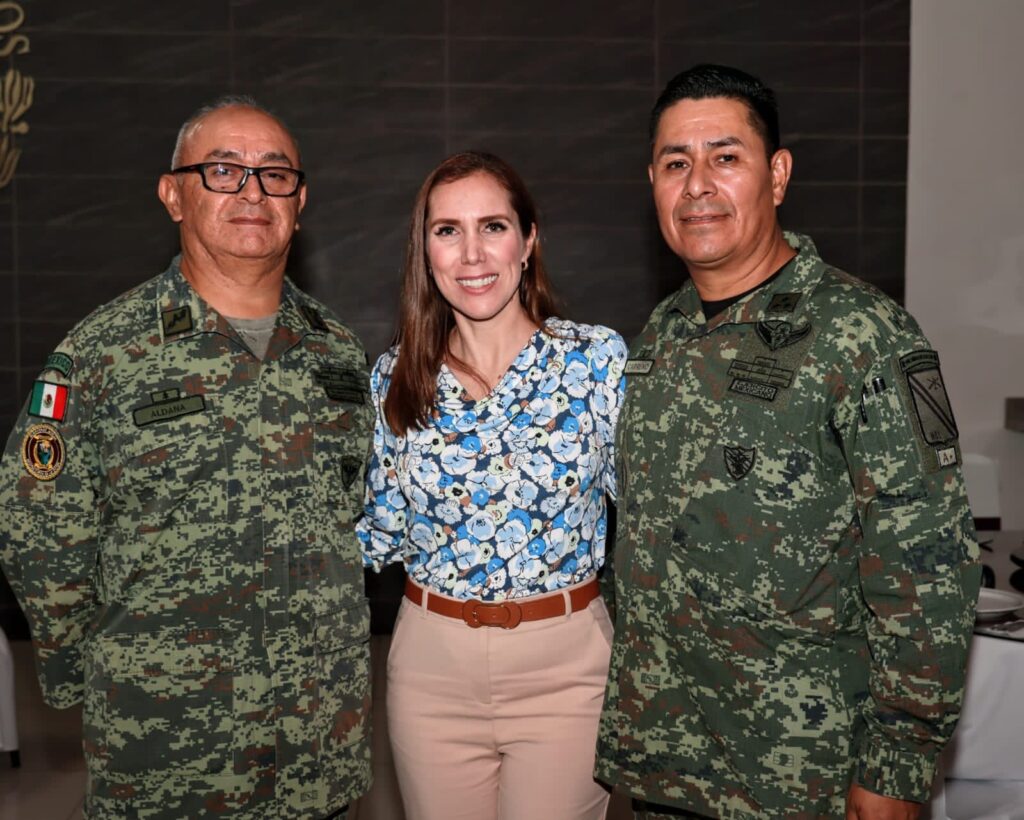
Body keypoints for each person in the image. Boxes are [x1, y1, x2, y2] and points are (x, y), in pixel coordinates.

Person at [594, 64, 981, 820]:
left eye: (724, 157)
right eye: (675, 163)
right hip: (667, 760)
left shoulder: (862, 333)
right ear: (653, 183)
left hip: (802, 773)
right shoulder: (662, 334)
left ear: (776, 175)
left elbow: (928, 560)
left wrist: (897, 765)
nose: (697, 185)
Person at [0, 96, 372, 819]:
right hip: (166, 751)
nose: (252, 192)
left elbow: (350, 517)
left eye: (275, 174)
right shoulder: (104, 351)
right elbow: (36, 524)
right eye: (223, 171)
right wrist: (96, 670)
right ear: (173, 195)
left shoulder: (337, 352)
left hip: (317, 747)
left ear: (300, 202)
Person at [357, 151, 626, 820]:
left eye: (493, 227)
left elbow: (654, 511)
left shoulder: (595, 361)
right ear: (425, 252)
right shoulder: (395, 376)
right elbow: (377, 530)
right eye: (448, 230)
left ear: (528, 242)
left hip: (567, 670)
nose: (472, 254)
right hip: (430, 671)